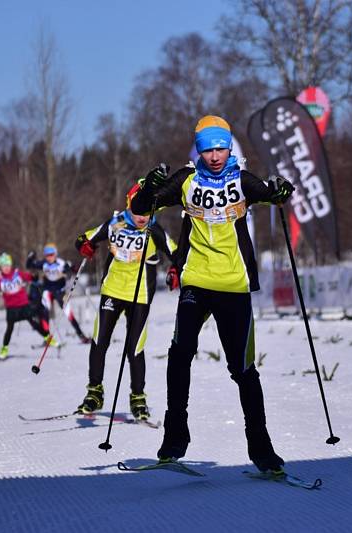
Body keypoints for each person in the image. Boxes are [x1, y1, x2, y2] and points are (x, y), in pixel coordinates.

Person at [130, 115, 295, 473]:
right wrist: (148, 187)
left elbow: (270, 194)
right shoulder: (187, 179)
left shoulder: (241, 178)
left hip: (234, 285)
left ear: (229, 147)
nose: (215, 156)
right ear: (199, 150)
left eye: (221, 147)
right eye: (208, 149)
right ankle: (174, 438)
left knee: (243, 368)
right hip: (196, 281)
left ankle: (262, 450)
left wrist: (282, 190)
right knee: (180, 353)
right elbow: (143, 209)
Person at [73, 182, 179, 420]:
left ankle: (138, 397)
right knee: (100, 341)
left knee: (135, 348)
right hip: (112, 290)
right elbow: (83, 238)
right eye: (138, 210)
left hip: (140, 295)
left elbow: (178, 253)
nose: (142, 217)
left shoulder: (154, 230)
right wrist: (86, 246)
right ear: (129, 204)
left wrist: (175, 270)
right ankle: (94, 392)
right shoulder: (115, 223)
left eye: (147, 212)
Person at [0, 253, 56, 360]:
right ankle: (4, 348)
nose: (6, 268)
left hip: (24, 305)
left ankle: (47, 337)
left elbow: (28, 277)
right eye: (4, 266)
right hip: (12, 308)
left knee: (34, 320)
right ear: (0, 267)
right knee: (9, 329)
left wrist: (34, 277)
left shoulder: (17, 273)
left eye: (8, 265)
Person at [26, 243, 90, 344]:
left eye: (51, 255)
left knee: (69, 313)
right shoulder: (43, 263)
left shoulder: (61, 263)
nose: (49, 257)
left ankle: (82, 336)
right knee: (44, 312)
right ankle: (47, 338)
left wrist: (73, 268)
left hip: (60, 292)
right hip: (48, 291)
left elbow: (73, 270)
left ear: (55, 254)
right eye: (47, 255)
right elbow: (29, 265)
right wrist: (30, 257)